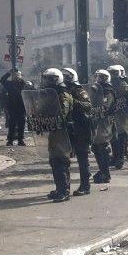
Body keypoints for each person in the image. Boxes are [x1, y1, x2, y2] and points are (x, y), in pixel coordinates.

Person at [39, 68, 74, 202]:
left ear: (57, 79)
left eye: (50, 78)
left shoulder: (63, 94)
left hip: (62, 132)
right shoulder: (51, 93)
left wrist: (49, 118)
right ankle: (60, 188)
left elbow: (62, 114)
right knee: (54, 161)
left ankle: (64, 191)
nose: (47, 81)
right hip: (54, 131)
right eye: (46, 78)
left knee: (61, 161)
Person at [62, 68, 93, 196]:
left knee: (82, 159)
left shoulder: (79, 91)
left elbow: (88, 105)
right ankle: (64, 187)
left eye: (67, 77)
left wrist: (73, 102)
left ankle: (85, 186)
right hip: (69, 129)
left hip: (81, 128)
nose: (65, 79)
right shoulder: (63, 91)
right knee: (64, 159)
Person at [91, 69, 116, 184]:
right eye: (98, 77)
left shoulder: (108, 91)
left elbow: (105, 106)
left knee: (102, 146)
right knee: (96, 146)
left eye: (102, 77)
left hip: (105, 120)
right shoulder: (96, 89)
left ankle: (105, 173)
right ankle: (102, 171)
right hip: (97, 119)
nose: (99, 79)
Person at [107, 64, 128, 169]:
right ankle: (115, 157)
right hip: (113, 114)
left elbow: (126, 99)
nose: (112, 75)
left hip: (122, 113)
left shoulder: (123, 84)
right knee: (113, 137)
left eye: (114, 73)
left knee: (121, 136)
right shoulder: (109, 84)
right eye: (111, 73)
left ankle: (120, 159)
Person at [0, 68, 27, 146]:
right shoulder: (9, 84)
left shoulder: (23, 84)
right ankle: (10, 140)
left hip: (22, 107)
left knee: (21, 124)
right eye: (15, 76)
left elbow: (28, 93)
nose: (16, 77)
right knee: (12, 124)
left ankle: (20, 140)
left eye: (18, 75)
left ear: (20, 76)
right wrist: (9, 73)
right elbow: (2, 80)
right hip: (12, 107)